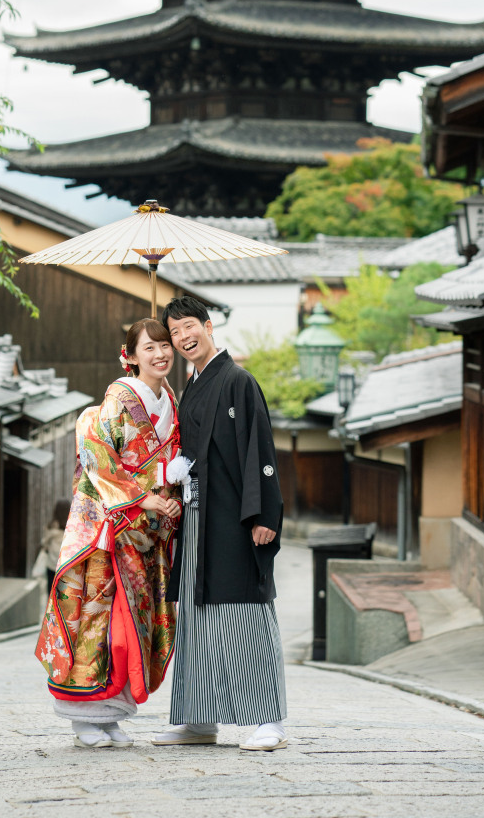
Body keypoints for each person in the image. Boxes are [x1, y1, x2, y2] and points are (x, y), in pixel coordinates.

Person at [34, 318, 183, 749]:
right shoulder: (119, 399)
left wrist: (170, 496)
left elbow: (170, 462)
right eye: (149, 348)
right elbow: (99, 459)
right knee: (97, 621)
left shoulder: (169, 398)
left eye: (164, 346)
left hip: (148, 533)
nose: (160, 355)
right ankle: (84, 718)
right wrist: (142, 496)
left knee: (133, 624)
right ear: (130, 356)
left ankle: (110, 713)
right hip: (111, 529)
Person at [152, 296, 287, 753]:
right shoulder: (191, 385)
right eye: (174, 333)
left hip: (234, 517)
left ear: (209, 326)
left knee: (244, 611)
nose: (183, 337)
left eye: (190, 326)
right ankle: (199, 718)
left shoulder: (237, 381)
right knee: (196, 615)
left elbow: (259, 449)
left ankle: (268, 718)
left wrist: (264, 514)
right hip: (197, 519)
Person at [40, 499, 71, 593]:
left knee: (51, 593)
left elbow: (44, 543)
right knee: (65, 594)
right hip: (66, 565)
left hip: (52, 564)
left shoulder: (51, 526)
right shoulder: (71, 526)